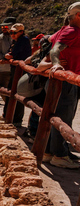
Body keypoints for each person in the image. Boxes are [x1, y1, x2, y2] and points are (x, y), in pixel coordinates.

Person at [46, 2, 80, 168]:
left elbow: (49, 41)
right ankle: (59, 155)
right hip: (66, 79)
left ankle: (49, 151)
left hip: (61, 80)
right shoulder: (73, 31)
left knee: (54, 114)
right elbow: (55, 50)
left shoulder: (63, 29)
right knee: (64, 116)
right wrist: (57, 64)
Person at [5, 23, 32, 124]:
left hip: (20, 71)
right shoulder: (15, 41)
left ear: (21, 32)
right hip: (15, 70)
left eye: (14, 32)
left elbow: (12, 54)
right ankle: (9, 116)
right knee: (12, 91)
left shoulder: (23, 40)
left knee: (17, 93)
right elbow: (9, 53)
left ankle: (16, 119)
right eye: (11, 32)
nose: (12, 34)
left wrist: (10, 56)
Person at [0, 17, 16, 107]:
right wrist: (8, 58)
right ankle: (9, 108)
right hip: (3, 70)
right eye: (2, 27)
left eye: (6, 27)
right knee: (2, 91)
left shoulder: (18, 39)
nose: (3, 29)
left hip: (15, 69)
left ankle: (11, 111)